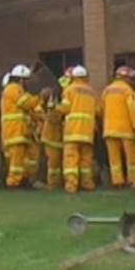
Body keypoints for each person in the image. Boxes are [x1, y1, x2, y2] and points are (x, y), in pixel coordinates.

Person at [0, 64, 52, 189]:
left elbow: (31, 110)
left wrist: (42, 116)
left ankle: (26, 180)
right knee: (16, 162)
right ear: (21, 79)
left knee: (30, 158)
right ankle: (13, 184)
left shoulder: (20, 91)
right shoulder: (13, 88)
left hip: (23, 133)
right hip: (15, 132)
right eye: (26, 80)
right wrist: (41, 97)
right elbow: (27, 103)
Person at [55, 64, 98, 193]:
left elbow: (65, 108)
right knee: (86, 159)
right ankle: (87, 184)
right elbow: (97, 110)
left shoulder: (69, 90)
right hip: (88, 132)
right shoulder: (92, 92)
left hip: (73, 131)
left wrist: (54, 107)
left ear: (73, 77)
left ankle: (71, 186)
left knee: (71, 159)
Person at [101, 65, 135, 188]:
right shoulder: (128, 91)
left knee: (114, 158)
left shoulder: (107, 90)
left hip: (109, 130)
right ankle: (133, 180)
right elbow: (132, 111)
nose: (133, 81)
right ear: (126, 78)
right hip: (126, 130)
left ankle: (117, 181)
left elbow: (101, 109)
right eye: (131, 78)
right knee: (131, 157)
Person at [35, 67, 73, 189]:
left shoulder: (62, 96)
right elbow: (53, 117)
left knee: (57, 162)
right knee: (53, 163)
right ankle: (53, 184)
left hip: (57, 137)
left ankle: (56, 182)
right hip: (52, 138)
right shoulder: (53, 102)